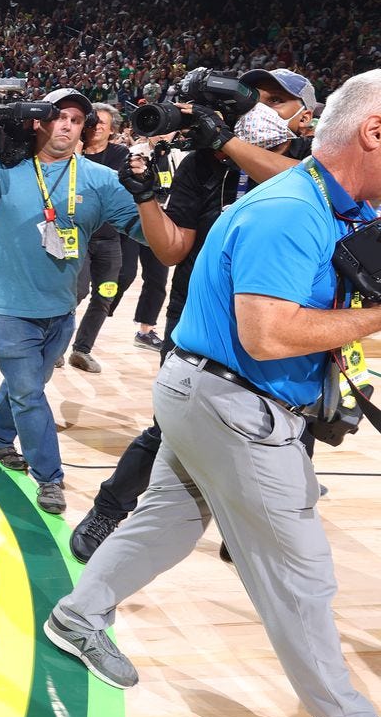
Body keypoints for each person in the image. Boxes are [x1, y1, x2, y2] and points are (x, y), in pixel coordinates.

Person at [45, 69, 381, 717]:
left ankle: (76, 616)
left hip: (202, 389)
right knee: (300, 574)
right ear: (374, 132)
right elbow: (268, 332)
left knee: (166, 521)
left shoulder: (331, 199)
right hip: (236, 403)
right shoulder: (290, 211)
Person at [68, 77, 319, 561]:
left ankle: (251, 528)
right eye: (254, 99)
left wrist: (227, 141)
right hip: (201, 317)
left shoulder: (314, 160)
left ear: (304, 115)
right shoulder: (204, 166)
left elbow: (300, 181)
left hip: (284, 318)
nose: (258, 108)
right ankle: (109, 508)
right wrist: (144, 198)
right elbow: (172, 248)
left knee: (291, 428)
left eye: (273, 101)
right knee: (172, 424)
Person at [0, 88, 144, 514]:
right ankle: (49, 476)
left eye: (76, 120)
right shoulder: (6, 169)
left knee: (28, 388)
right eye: (59, 116)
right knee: (28, 392)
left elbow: (141, 228)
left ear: (84, 130)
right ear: (39, 122)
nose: (66, 125)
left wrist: (152, 201)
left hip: (61, 309)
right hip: (8, 306)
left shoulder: (98, 179)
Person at [65, 104, 129, 373]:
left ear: (112, 128)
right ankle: (55, 346)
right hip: (77, 235)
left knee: (106, 294)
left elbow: (109, 189)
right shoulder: (69, 154)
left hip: (109, 238)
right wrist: (74, 154)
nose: (97, 127)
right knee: (74, 293)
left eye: (103, 123)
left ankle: (82, 350)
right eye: (92, 123)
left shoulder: (120, 154)